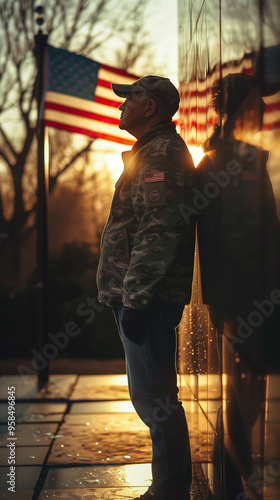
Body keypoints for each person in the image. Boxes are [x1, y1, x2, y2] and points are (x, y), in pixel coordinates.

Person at [96, 75, 196, 500]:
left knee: (156, 398)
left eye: (130, 98)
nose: (121, 106)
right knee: (150, 397)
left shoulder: (160, 156)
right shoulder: (150, 151)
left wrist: (135, 298)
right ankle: (168, 487)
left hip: (147, 300)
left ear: (150, 106)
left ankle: (170, 491)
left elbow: (160, 230)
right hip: (139, 297)